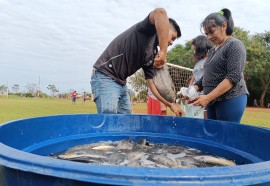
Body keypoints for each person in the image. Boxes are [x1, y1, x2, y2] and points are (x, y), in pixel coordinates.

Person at [91, 8, 183, 116]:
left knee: (126, 120)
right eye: (172, 38)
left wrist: (170, 104)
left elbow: (152, 86)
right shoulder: (147, 30)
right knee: (109, 119)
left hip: (121, 82)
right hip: (105, 75)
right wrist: (163, 51)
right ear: (166, 27)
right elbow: (160, 12)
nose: (172, 43)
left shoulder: (153, 55)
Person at [193, 8, 249, 123]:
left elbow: (233, 76)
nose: (208, 37)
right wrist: (193, 89)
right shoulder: (212, 50)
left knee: (227, 135)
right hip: (212, 100)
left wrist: (208, 97)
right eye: (206, 34)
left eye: (211, 32)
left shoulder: (235, 45)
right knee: (214, 136)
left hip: (230, 98)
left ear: (224, 26)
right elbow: (208, 75)